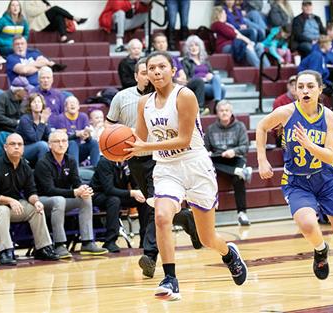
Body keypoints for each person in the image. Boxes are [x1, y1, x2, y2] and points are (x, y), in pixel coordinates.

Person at [125, 51, 247, 301]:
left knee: (207, 238)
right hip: (166, 167)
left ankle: (229, 254)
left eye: (162, 67)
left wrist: (144, 148)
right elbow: (139, 139)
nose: (157, 72)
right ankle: (170, 278)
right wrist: (119, 149)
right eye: (151, 68)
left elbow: (182, 139)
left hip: (195, 164)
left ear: (172, 70)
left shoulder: (185, 95)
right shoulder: (143, 103)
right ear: (146, 74)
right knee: (160, 217)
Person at [255, 69, 333, 293]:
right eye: (300, 87)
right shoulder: (286, 112)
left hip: (326, 179)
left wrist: (309, 144)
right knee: (308, 225)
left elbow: (330, 156)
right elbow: (261, 127)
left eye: (310, 86)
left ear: (320, 90)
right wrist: (262, 159)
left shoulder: (328, 117)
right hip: (297, 180)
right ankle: (320, 249)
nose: (305, 91)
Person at [107, 57, 202, 278]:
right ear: (138, 76)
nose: (152, 73)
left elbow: (184, 136)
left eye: (159, 68)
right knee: (152, 205)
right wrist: (113, 149)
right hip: (136, 157)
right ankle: (185, 218)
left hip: (159, 157)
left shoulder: (176, 97)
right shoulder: (123, 98)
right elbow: (110, 127)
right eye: (146, 70)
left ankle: (150, 255)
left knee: (154, 206)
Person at [0, 133, 60, 266]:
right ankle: (5, 252)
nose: (16, 147)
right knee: (2, 211)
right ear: (5, 147)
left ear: (23, 148)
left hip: (9, 204)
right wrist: (11, 201)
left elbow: (30, 191)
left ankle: (43, 248)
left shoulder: (25, 166)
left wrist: (36, 201)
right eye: (12, 144)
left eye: (19, 144)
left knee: (35, 209)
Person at [35, 130, 108, 258]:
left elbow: (76, 182)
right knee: (59, 200)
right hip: (42, 201)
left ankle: (87, 242)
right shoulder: (43, 163)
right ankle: (59, 245)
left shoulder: (71, 160)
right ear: (50, 145)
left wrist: (83, 189)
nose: (61, 144)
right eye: (57, 141)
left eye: (64, 141)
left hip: (62, 199)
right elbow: (49, 190)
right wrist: (74, 192)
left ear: (68, 144)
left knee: (85, 199)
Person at [204, 100, 252, 226]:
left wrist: (233, 151)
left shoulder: (240, 126)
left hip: (236, 158)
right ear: (217, 113)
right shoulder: (211, 129)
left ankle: (242, 213)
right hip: (218, 159)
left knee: (238, 178)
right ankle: (241, 171)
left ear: (231, 112)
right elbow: (205, 149)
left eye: (227, 110)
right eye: (221, 110)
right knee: (207, 164)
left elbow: (245, 147)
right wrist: (208, 153)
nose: (224, 113)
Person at [90, 156, 146, 253]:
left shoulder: (129, 161)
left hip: (119, 195)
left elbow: (135, 182)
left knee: (144, 200)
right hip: (99, 195)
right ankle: (110, 241)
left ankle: (145, 240)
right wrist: (132, 193)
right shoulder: (105, 162)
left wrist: (139, 192)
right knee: (114, 200)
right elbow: (109, 189)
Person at [152, 33, 206, 112]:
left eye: (164, 42)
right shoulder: (153, 59)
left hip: (180, 83)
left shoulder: (173, 57)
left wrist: (182, 78)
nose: (162, 44)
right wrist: (175, 80)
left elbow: (181, 71)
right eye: (159, 42)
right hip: (168, 84)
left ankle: (199, 108)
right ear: (154, 45)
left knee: (199, 81)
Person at [298, 35, 333, 109]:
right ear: (325, 45)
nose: (331, 46)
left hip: (323, 83)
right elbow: (313, 75)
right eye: (330, 44)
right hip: (318, 85)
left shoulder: (320, 55)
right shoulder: (317, 56)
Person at [49, 96, 100, 167]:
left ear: (78, 106)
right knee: (72, 143)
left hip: (79, 150)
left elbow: (88, 139)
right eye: (70, 103)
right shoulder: (60, 118)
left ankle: (96, 169)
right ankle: (75, 171)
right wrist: (76, 135)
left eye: (75, 103)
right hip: (65, 151)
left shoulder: (83, 116)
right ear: (66, 107)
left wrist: (87, 136)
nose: (72, 105)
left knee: (94, 142)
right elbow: (61, 139)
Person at [0, 76, 30, 149]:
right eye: (26, 90)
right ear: (18, 91)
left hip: (12, 131)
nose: (28, 92)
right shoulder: (3, 97)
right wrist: (15, 122)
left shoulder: (22, 100)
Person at [181, 35, 227, 108]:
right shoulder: (185, 61)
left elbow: (212, 74)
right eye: (191, 46)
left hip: (208, 84)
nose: (194, 48)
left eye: (196, 45)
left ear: (200, 47)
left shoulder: (205, 61)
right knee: (221, 89)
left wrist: (211, 75)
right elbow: (186, 79)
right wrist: (202, 79)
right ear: (188, 48)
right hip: (198, 86)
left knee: (218, 79)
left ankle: (217, 102)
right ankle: (218, 106)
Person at [22, 0, 87, 44]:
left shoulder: (44, 1)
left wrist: (48, 8)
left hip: (47, 24)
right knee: (55, 8)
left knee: (59, 16)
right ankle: (75, 18)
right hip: (37, 24)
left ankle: (63, 38)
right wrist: (46, 9)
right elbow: (30, 11)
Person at [15, 93, 50, 165]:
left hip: (36, 148)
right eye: (34, 102)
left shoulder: (43, 118)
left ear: (42, 104)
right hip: (23, 149)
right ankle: (42, 172)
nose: (37, 104)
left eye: (39, 102)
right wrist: (42, 122)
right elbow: (35, 139)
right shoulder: (25, 119)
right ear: (30, 105)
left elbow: (48, 136)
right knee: (42, 145)